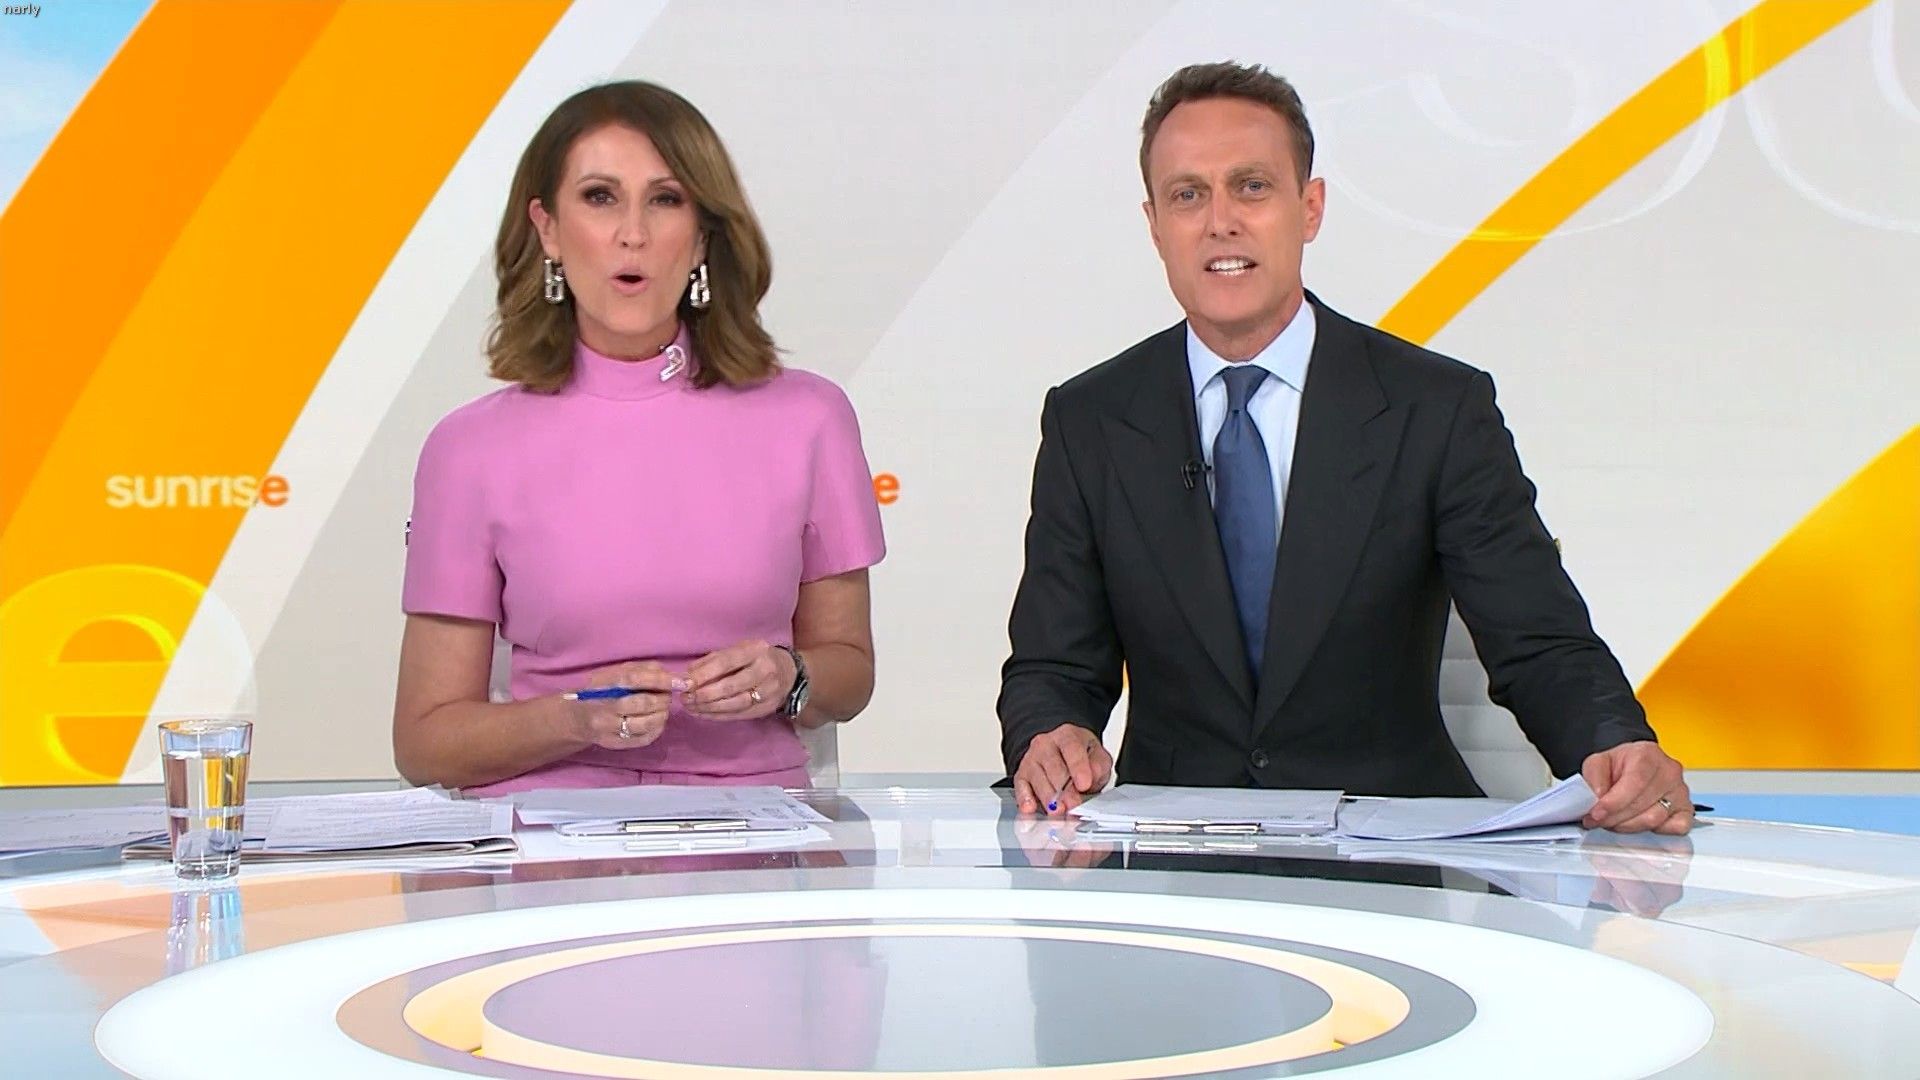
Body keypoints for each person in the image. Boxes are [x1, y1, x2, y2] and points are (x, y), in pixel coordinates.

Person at [998, 61, 1690, 834]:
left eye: (1251, 186)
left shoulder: (1435, 408)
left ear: (1311, 207)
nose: (1220, 221)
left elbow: (1539, 641)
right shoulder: (1090, 421)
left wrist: (1617, 746)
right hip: (1174, 848)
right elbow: (1054, 667)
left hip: (1390, 847)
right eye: (1188, 195)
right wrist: (1049, 735)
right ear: (1155, 225)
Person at [393, 81, 883, 795]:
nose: (633, 233)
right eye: (600, 197)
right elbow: (426, 742)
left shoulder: (811, 418)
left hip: (754, 829)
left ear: (704, 233)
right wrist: (573, 720)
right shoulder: (468, 449)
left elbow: (850, 670)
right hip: (548, 834)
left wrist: (790, 675)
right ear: (547, 228)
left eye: (666, 199)